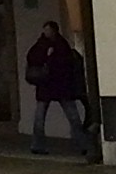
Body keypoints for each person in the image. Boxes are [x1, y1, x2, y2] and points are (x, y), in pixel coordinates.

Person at [24, 20, 87, 156]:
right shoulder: (40, 44)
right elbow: (31, 58)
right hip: (47, 86)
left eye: (48, 30)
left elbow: (66, 63)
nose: (46, 32)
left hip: (60, 85)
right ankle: (37, 145)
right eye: (45, 30)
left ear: (54, 30)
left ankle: (82, 144)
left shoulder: (61, 44)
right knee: (40, 118)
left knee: (73, 117)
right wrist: (46, 55)